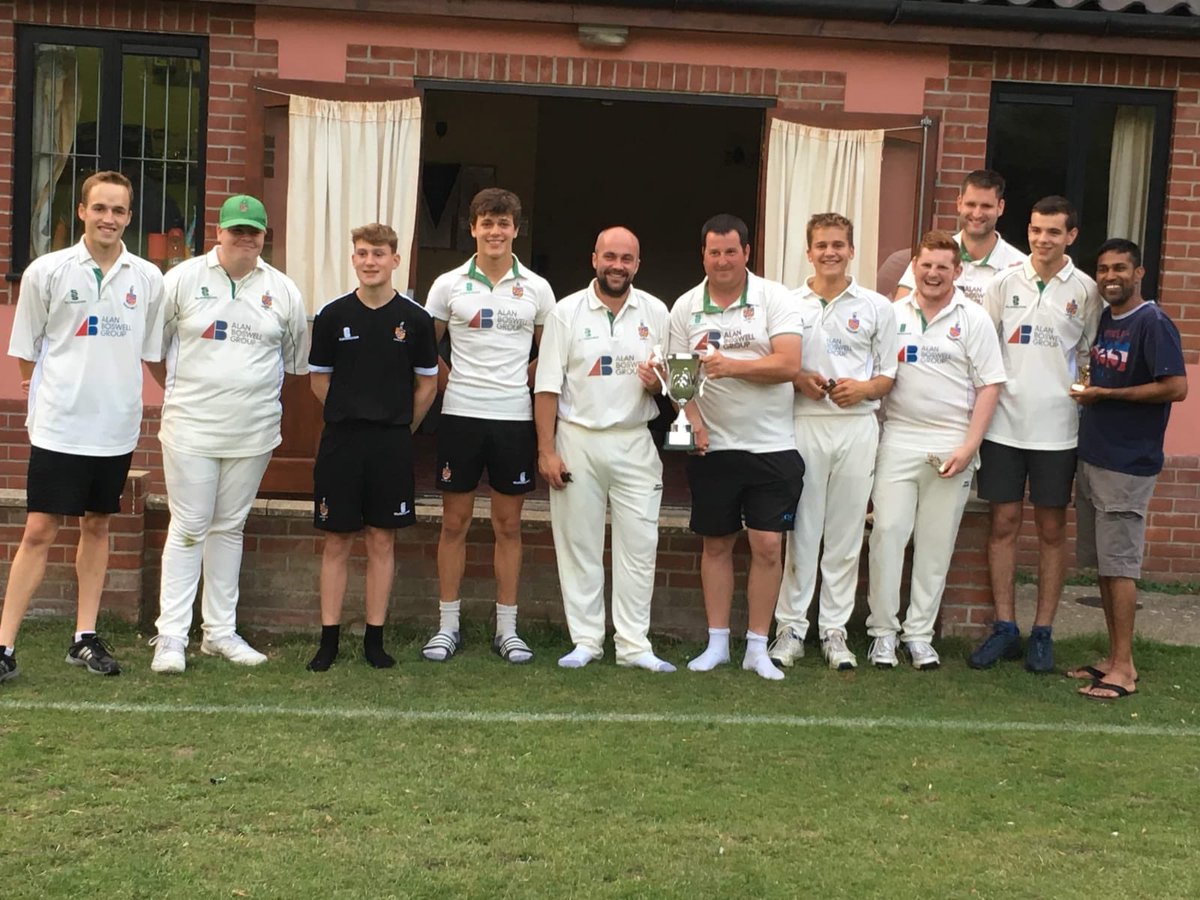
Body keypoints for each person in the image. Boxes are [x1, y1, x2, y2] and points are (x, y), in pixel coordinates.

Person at [0, 170, 165, 682]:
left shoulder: (148, 279)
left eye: (118, 211)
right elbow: (26, 355)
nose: (109, 219)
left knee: (97, 524)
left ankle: (84, 637)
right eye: (100, 208)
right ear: (82, 211)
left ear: (129, 217)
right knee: (40, 530)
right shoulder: (46, 271)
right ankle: (4, 645)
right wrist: (57, 391)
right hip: (59, 427)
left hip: (115, 426)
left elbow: (151, 354)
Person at [146, 194, 309, 674]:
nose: (244, 238)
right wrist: (190, 394)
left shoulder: (283, 290)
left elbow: (295, 362)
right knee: (190, 526)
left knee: (229, 527)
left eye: (252, 231)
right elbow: (156, 353)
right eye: (235, 229)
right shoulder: (180, 279)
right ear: (218, 232)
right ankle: (171, 636)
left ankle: (219, 633)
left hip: (254, 430)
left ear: (264, 237)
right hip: (190, 427)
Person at [667, 213, 804, 681]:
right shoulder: (686, 306)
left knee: (767, 545)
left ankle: (757, 647)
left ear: (747, 253)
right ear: (703, 255)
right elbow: (679, 378)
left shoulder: (775, 298)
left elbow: (789, 364)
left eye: (731, 251)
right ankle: (717, 643)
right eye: (713, 252)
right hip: (714, 447)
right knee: (716, 544)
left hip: (772, 445)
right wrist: (694, 422)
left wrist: (731, 366)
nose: (722, 260)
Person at [969, 196, 1102, 674]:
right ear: (1027, 230)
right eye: (1036, 230)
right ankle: (1005, 627)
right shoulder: (1003, 282)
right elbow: (982, 353)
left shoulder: (1086, 290)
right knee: (1003, 524)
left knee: (1050, 531)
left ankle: (1043, 630)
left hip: (1058, 430)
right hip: (1003, 426)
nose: (1043, 240)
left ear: (1071, 236)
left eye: (1054, 232)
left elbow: (1089, 354)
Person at [422, 188, 555, 664]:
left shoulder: (536, 288)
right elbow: (424, 348)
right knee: (454, 523)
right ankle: (447, 627)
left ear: (516, 230)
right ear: (472, 227)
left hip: (514, 419)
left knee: (508, 526)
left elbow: (553, 353)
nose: (495, 231)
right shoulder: (448, 284)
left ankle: (508, 630)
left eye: (504, 223)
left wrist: (527, 376)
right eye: (486, 222)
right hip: (460, 414)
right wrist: (447, 377)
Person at [534, 227, 675, 673]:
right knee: (580, 545)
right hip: (577, 439)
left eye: (627, 258)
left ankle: (635, 646)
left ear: (638, 264)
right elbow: (547, 386)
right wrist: (546, 450)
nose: (618, 265)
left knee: (640, 545)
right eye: (610, 256)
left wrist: (661, 387)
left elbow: (679, 384)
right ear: (594, 258)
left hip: (635, 439)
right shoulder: (566, 311)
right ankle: (587, 640)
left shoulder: (656, 311)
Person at [866, 231, 1006, 670]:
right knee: (888, 535)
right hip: (900, 437)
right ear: (915, 267)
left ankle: (920, 635)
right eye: (926, 265)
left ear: (957, 272)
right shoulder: (891, 315)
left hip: (952, 443)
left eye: (943, 266)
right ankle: (883, 634)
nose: (933, 273)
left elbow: (990, 386)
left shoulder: (975, 319)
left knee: (935, 544)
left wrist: (970, 445)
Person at [305, 224, 439, 671]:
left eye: (378, 254)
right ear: (353, 259)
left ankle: (374, 640)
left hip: (391, 443)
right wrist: (350, 410)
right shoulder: (332, 315)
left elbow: (427, 384)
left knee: (382, 539)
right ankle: (329, 642)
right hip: (342, 442)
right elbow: (319, 381)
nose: (369, 261)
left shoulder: (416, 319)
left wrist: (401, 426)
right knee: (338, 540)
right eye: (361, 253)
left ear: (395, 260)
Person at [770, 213, 898, 671]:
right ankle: (791, 628)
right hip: (804, 423)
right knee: (802, 531)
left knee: (844, 534)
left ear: (850, 250)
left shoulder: (877, 306)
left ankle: (834, 630)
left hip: (856, 426)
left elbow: (888, 374)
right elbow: (776, 364)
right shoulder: (787, 303)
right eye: (822, 245)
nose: (830, 252)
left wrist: (864, 389)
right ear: (808, 252)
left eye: (838, 244)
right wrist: (799, 380)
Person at [1067, 239, 1187, 700]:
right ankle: (1112, 658)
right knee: (1104, 563)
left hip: (1128, 461)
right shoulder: (1106, 320)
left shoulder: (1152, 322)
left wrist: (1108, 396)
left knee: (1121, 566)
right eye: (1103, 269)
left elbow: (1175, 387)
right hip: (1095, 454)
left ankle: (1125, 670)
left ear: (1139, 273)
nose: (1110, 276)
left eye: (1120, 268)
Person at [894, 170, 1025, 304]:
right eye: (971, 204)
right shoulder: (931, 255)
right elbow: (901, 313)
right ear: (959, 203)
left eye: (986, 206)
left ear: (1000, 207)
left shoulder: (1020, 266)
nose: (977, 214)